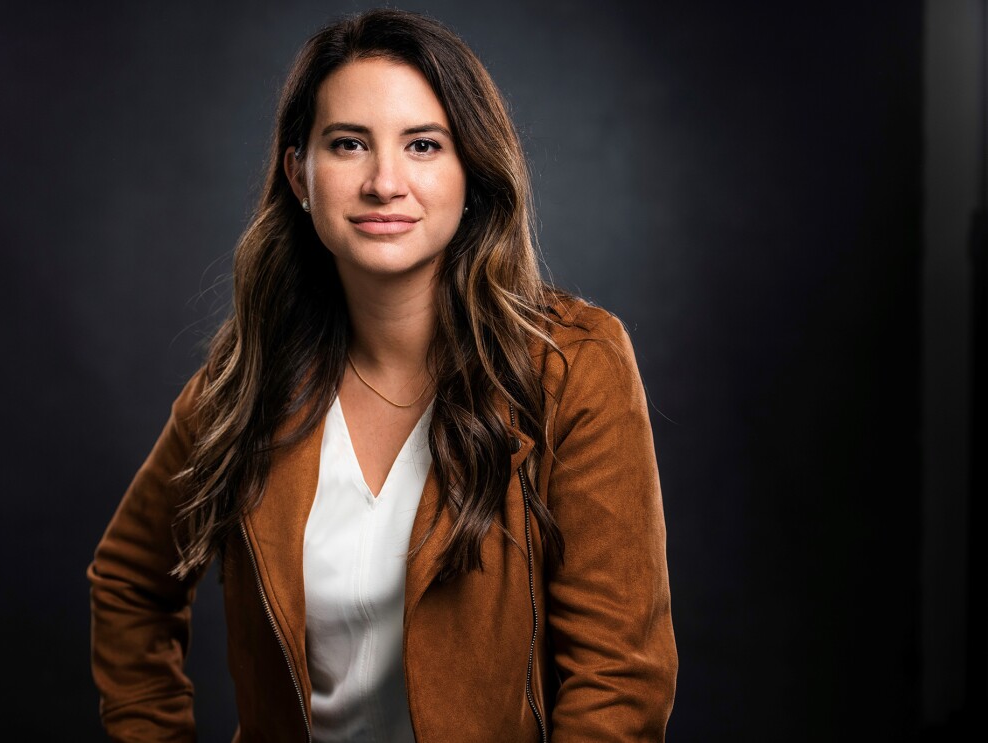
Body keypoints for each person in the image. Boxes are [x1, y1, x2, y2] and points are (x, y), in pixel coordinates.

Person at [88, 8, 677, 742]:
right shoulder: (243, 384)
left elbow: (620, 680)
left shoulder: (573, 367)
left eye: (424, 145)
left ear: (473, 172)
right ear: (298, 173)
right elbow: (128, 582)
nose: (384, 182)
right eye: (347, 145)